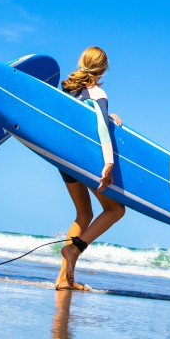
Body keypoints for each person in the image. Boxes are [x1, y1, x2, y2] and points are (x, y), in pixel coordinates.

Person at [55, 47, 125, 290]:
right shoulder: (98, 93)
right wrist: (109, 162)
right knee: (116, 210)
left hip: (63, 159)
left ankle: (64, 279)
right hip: (87, 160)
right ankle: (74, 249)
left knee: (83, 214)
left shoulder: (66, 89)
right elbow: (101, 132)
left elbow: (79, 120)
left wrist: (106, 115)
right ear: (103, 69)